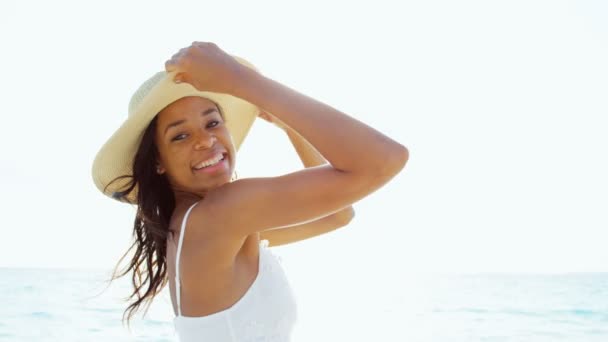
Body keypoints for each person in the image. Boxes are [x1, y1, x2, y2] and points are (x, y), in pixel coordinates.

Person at [92, 41, 409, 341]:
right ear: (157, 161)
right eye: (180, 136)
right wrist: (243, 81)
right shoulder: (221, 213)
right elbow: (384, 160)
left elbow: (339, 215)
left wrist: (289, 126)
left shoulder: (200, 225)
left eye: (213, 123)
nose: (205, 140)